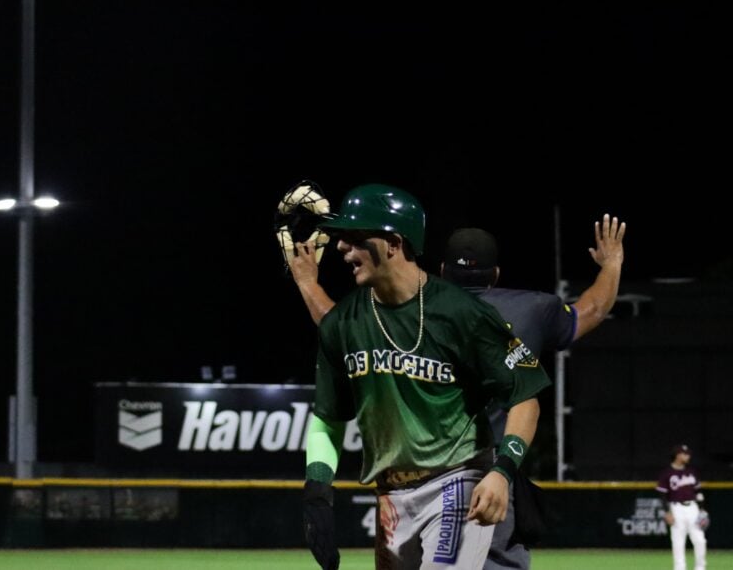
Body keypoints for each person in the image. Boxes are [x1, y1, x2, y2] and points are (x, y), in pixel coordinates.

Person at [289, 215, 626, 570]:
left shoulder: (415, 311)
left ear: (442, 269)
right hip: (497, 474)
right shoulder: (532, 309)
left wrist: (308, 283)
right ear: (496, 274)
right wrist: (612, 264)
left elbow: (338, 327)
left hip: (462, 476)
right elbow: (593, 308)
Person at [301, 184, 550, 570]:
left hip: (457, 480)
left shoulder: (461, 313)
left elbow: (525, 396)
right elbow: (327, 418)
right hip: (391, 495)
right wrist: (317, 489)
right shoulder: (342, 324)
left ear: (393, 243)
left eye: (353, 237)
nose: (341, 248)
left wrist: (503, 471)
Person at [656, 444, 708, 570]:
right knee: (678, 543)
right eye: (685, 454)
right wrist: (666, 512)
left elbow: (698, 492)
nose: (687, 456)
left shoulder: (691, 472)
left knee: (700, 540)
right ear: (677, 455)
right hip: (676, 508)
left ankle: (700, 568)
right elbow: (662, 495)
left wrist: (702, 510)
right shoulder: (667, 473)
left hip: (693, 508)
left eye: (688, 454)